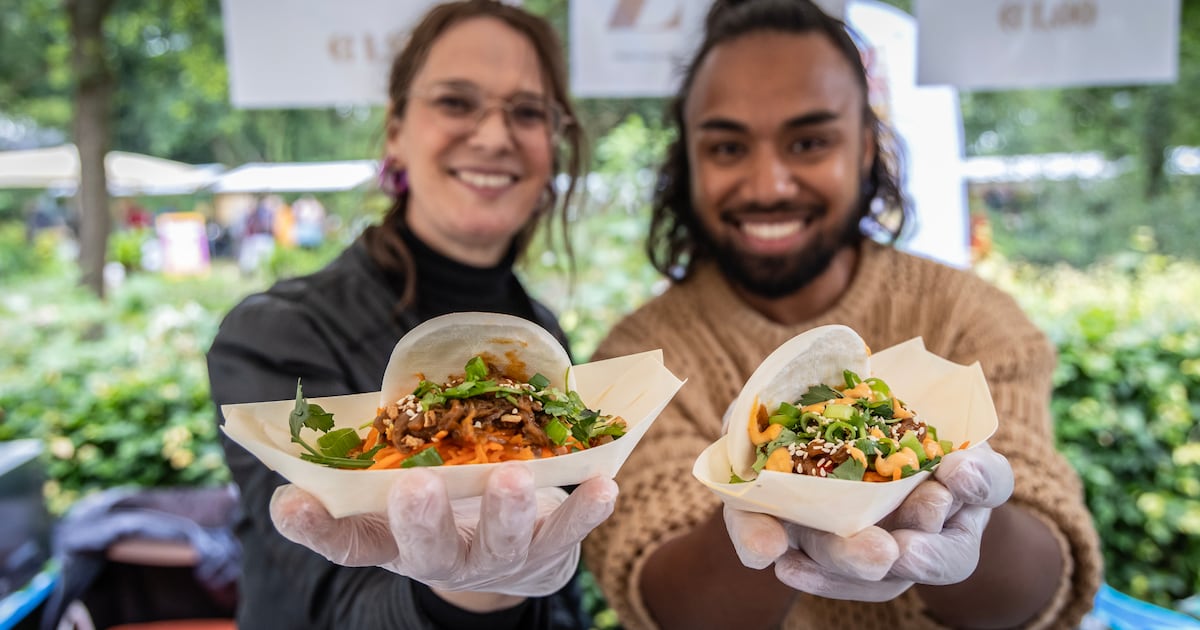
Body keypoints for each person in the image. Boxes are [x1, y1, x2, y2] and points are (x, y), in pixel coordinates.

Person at [582, 1, 1103, 629]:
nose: (769, 183)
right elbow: (659, 595)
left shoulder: (972, 320)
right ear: (688, 162)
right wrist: (771, 498)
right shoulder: (640, 361)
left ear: (863, 148)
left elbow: (1037, 587)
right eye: (727, 146)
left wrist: (967, 517)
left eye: (808, 142)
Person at [206, 2, 615, 628]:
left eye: (528, 111)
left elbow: (560, 600)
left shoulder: (538, 334)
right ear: (396, 128)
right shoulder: (276, 334)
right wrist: (475, 590)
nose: (494, 135)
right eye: (456, 101)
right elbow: (334, 602)